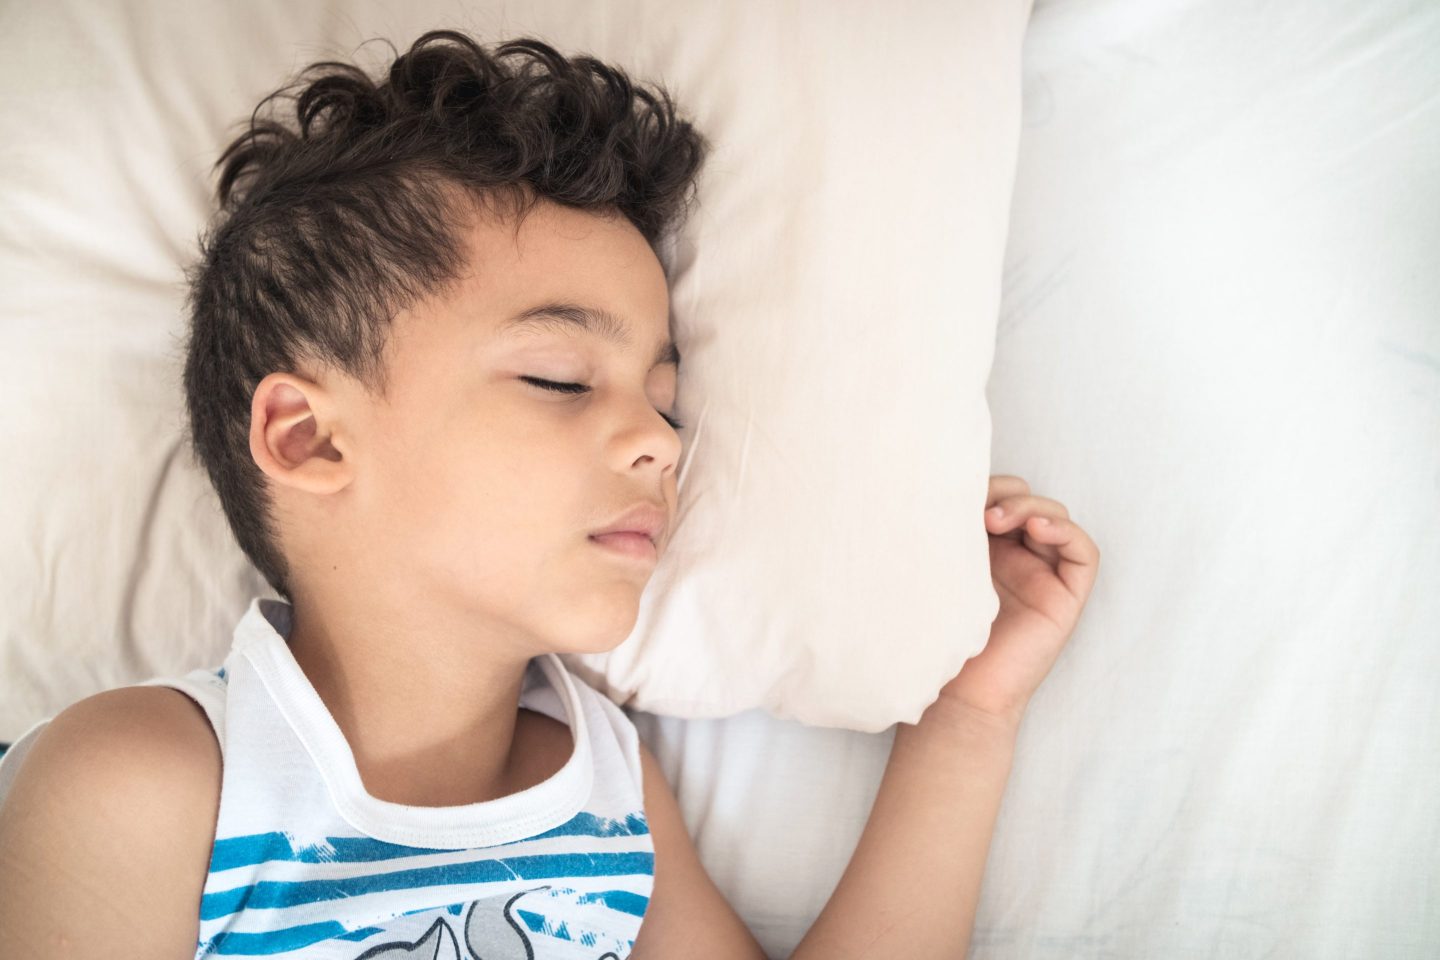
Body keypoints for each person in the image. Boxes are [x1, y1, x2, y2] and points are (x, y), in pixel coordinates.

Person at [0, 28, 1099, 960]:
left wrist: (968, 716)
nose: (659, 446)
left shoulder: (606, 786)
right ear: (307, 436)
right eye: (559, 379)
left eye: (665, 405)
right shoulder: (146, 783)